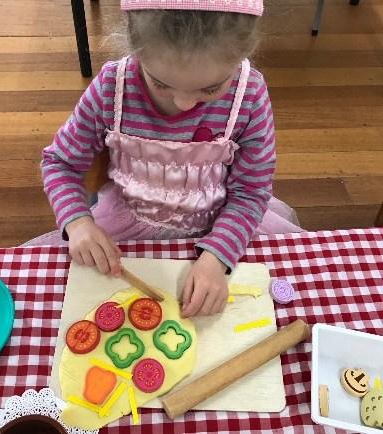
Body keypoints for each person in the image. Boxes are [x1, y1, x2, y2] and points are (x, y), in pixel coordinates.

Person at [35, 0, 303, 317]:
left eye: (210, 89)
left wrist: (218, 256)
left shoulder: (249, 95)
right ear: (135, 45)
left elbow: (251, 191)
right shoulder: (111, 87)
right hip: (127, 228)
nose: (184, 103)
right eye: (161, 84)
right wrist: (77, 222)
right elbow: (60, 164)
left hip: (224, 227)